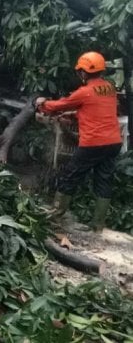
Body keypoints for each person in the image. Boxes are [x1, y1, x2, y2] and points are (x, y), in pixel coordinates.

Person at [35, 51, 122, 232]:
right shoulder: (110, 88)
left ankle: (56, 214)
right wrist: (75, 115)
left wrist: (41, 104)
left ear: (83, 72)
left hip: (93, 143)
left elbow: (58, 105)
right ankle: (98, 225)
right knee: (103, 180)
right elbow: (98, 110)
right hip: (113, 142)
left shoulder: (84, 92)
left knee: (70, 175)